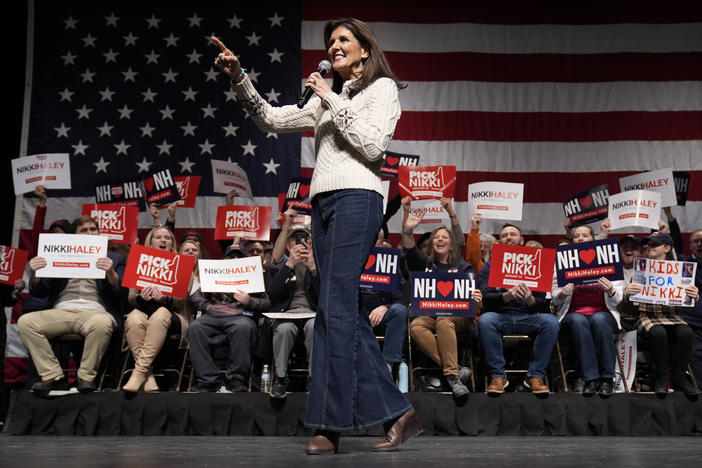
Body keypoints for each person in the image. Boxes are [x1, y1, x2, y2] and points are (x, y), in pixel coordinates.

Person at [212, 17, 420, 455]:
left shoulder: (380, 90)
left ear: (365, 49)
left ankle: (332, 425)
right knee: (332, 309)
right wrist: (240, 78)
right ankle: (392, 411)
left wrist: (328, 97)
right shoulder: (330, 97)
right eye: (331, 41)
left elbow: (372, 146)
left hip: (359, 200)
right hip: (322, 206)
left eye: (344, 39)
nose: (334, 45)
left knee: (336, 306)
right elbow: (271, 118)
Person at [17, 216, 125, 397]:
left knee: (102, 323)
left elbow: (121, 293)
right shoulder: (59, 254)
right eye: (84, 230)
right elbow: (40, 291)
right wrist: (35, 272)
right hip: (61, 310)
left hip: (95, 311)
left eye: (93, 229)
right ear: (74, 235)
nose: (90, 233)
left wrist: (111, 273)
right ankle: (52, 375)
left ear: (100, 233)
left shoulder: (114, 258)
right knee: (26, 322)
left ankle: (86, 378)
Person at [402, 196, 480, 397]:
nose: (439, 239)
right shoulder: (426, 264)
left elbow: (473, 292)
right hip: (430, 314)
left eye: (444, 237)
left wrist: (476, 295)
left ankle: (452, 377)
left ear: (451, 244)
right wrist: (408, 230)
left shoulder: (463, 266)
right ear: (431, 244)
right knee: (416, 326)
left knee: (445, 321)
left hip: (458, 317)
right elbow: (410, 251)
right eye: (436, 237)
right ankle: (455, 372)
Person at [478, 224, 559, 395]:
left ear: (521, 240)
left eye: (513, 234)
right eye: (504, 235)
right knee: (486, 320)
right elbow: (486, 298)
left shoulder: (536, 263)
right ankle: (498, 377)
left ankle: (535, 376)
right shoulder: (490, 266)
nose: (508, 237)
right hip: (500, 316)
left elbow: (543, 304)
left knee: (551, 322)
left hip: (528, 317)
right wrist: (507, 296)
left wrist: (530, 300)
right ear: (499, 242)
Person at [620, 232, 700, 396]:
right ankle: (661, 377)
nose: (649, 247)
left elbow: (687, 298)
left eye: (654, 245)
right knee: (659, 332)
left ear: (667, 248)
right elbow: (626, 306)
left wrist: (694, 294)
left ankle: (679, 377)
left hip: (670, 315)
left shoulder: (679, 269)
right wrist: (628, 293)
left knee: (686, 332)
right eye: (647, 245)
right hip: (646, 316)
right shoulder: (641, 268)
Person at [187, 245, 271, 393]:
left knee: (243, 328)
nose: (235, 259)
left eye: (239, 257)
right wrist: (207, 306)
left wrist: (249, 301)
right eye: (231, 257)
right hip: (213, 315)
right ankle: (207, 380)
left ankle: (236, 378)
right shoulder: (215, 274)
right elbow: (195, 296)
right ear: (225, 259)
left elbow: (266, 303)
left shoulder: (251, 276)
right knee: (195, 327)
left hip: (239, 316)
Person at [552, 225, 624, 396]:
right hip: (572, 315)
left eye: (585, 235)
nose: (580, 239)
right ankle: (590, 378)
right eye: (576, 236)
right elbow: (554, 297)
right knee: (579, 320)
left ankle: (607, 378)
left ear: (593, 238)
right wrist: (561, 294)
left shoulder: (607, 258)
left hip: (604, 315)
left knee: (599, 319)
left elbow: (619, 298)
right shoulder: (563, 262)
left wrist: (611, 290)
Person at [122, 227, 195, 393]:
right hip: (143, 310)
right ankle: (147, 377)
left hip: (173, 314)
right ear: (150, 241)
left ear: (172, 243)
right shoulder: (139, 261)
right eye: (158, 237)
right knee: (133, 318)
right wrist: (141, 297)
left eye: (167, 238)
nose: (163, 240)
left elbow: (182, 300)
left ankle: (139, 372)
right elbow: (131, 298)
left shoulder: (182, 263)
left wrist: (164, 299)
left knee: (160, 314)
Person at [266, 219, 319, 399]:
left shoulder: (319, 263)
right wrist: (289, 266)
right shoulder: (282, 265)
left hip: (312, 313)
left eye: (304, 239)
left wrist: (312, 268)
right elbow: (273, 294)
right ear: (289, 245)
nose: (300, 242)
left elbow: (324, 297)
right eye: (295, 240)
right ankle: (281, 379)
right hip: (286, 314)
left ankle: (313, 378)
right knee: (284, 329)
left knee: (315, 327)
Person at [678, 229, 702, 385]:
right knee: (695, 353)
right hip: (692, 322)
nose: (700, 244)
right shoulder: (683, 264)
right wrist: (671, 222)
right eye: (696, 241)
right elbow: (669, 250)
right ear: (690, 245)